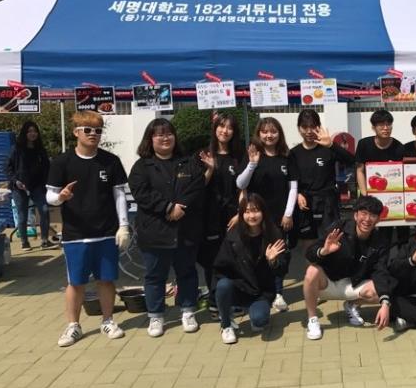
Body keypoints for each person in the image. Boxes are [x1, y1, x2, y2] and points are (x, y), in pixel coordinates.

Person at [47, 111, 130, 347]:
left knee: (106, 279)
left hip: (106, 231)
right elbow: (49, 195)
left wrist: (124, 225)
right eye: (87, 130)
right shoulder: (62, 162)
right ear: (76, 132)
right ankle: (73, 325)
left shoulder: (110, 161)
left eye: (98, 130)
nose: (93, 134)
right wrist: (61, 197)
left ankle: (108, 320)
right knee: (76, 282)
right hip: (75, 234)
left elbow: (119, 194)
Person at [128, 118, 207, 338]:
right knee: (155, 276)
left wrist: (181, 206)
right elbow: (141, 193)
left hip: (185, 230)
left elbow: (197, 186)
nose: (165, 138)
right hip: (154, 232)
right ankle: (156, 315)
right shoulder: (142, 166)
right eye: (159, 134)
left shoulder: (188, 162)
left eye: (169, 133)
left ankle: (188, 310)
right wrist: (168, 207)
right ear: (150, 139)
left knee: (187, 272)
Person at [302, 195, 394, 341]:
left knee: (385, 289)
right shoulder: (339, 228)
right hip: (328, 283)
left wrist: (385, 304)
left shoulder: (380, 241)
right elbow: (310, 253)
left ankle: (352, 305)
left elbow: (380, 271)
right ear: (355, 215)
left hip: (354, 284)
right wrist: (324, 251)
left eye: (372, 215)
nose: (367, 219)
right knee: (311, 271)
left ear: (378, 219)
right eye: (364, 213)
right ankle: (312, 319)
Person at [237, 117, 298, 312]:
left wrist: (288, 214)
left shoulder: (287, 156)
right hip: (254, 216)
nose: (269, 135)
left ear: (279, 134)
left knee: (278, 254)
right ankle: (255, 291)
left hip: (279, 216)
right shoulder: (253, 154)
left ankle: (278, 293)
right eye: (265, 131)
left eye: (273, 131)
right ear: (259, 133)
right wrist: (252, 164)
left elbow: (293, 187)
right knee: (255, 253)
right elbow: (240, 183)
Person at [213, 192, 290, 344]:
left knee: (260, 321)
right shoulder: (233, 236)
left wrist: (272, 261)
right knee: (222, 285)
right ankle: (226, 324)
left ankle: (256, 313)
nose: (252, 216)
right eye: (247, 212)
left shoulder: (274, 234)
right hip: (239, 288)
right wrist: (222, 296)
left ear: (263, 212)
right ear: (241, 214)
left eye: (255, 211)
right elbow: (220, 268)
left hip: (260, 292)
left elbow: (283, 270)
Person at [197, 112, 247, 299]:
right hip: (209, 216)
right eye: (221, 126)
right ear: (214, 128)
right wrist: (210, 169)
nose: (225, 131)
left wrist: (240, 214)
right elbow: (197, 186)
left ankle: (234, 298)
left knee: (235, 256)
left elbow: (243, 188)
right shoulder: (204, 154)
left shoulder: (239, 156)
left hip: (233, 215)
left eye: (229, 128)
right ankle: (214, 298)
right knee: (212, 259)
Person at [289, 109, 356, 244]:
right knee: (308, 243)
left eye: (313, 126)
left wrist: (332, 145)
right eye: (304, 127)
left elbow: (351, 161)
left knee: (331, 241)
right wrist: (298, 194)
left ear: (319, 127)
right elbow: (291, 179)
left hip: (328, 204)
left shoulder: (327, 149)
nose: (309, 131)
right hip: (305, 204)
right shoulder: (294, 153)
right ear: (299, 128)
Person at [6, 120, 53, 251]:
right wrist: (15, 181)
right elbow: (8, 168)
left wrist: (47, 183)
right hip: (20, 187)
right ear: (24, 133)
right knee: (22, 215)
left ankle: (44, 240)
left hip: (37, 186)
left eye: (35, 131)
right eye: (30, 131)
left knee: (44, 210)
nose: (33, 134)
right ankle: (24, 242)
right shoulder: (16, 149)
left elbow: (47, 167)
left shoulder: (40, 150)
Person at [355, 109, 405, 194]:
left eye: (388, 124)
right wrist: (364, 194)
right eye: (381, 125)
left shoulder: (399, 147)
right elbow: (360, 170)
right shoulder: (363, 144)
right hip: (369, 191)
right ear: (373, 127)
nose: (385, 128)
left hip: (391, 192)